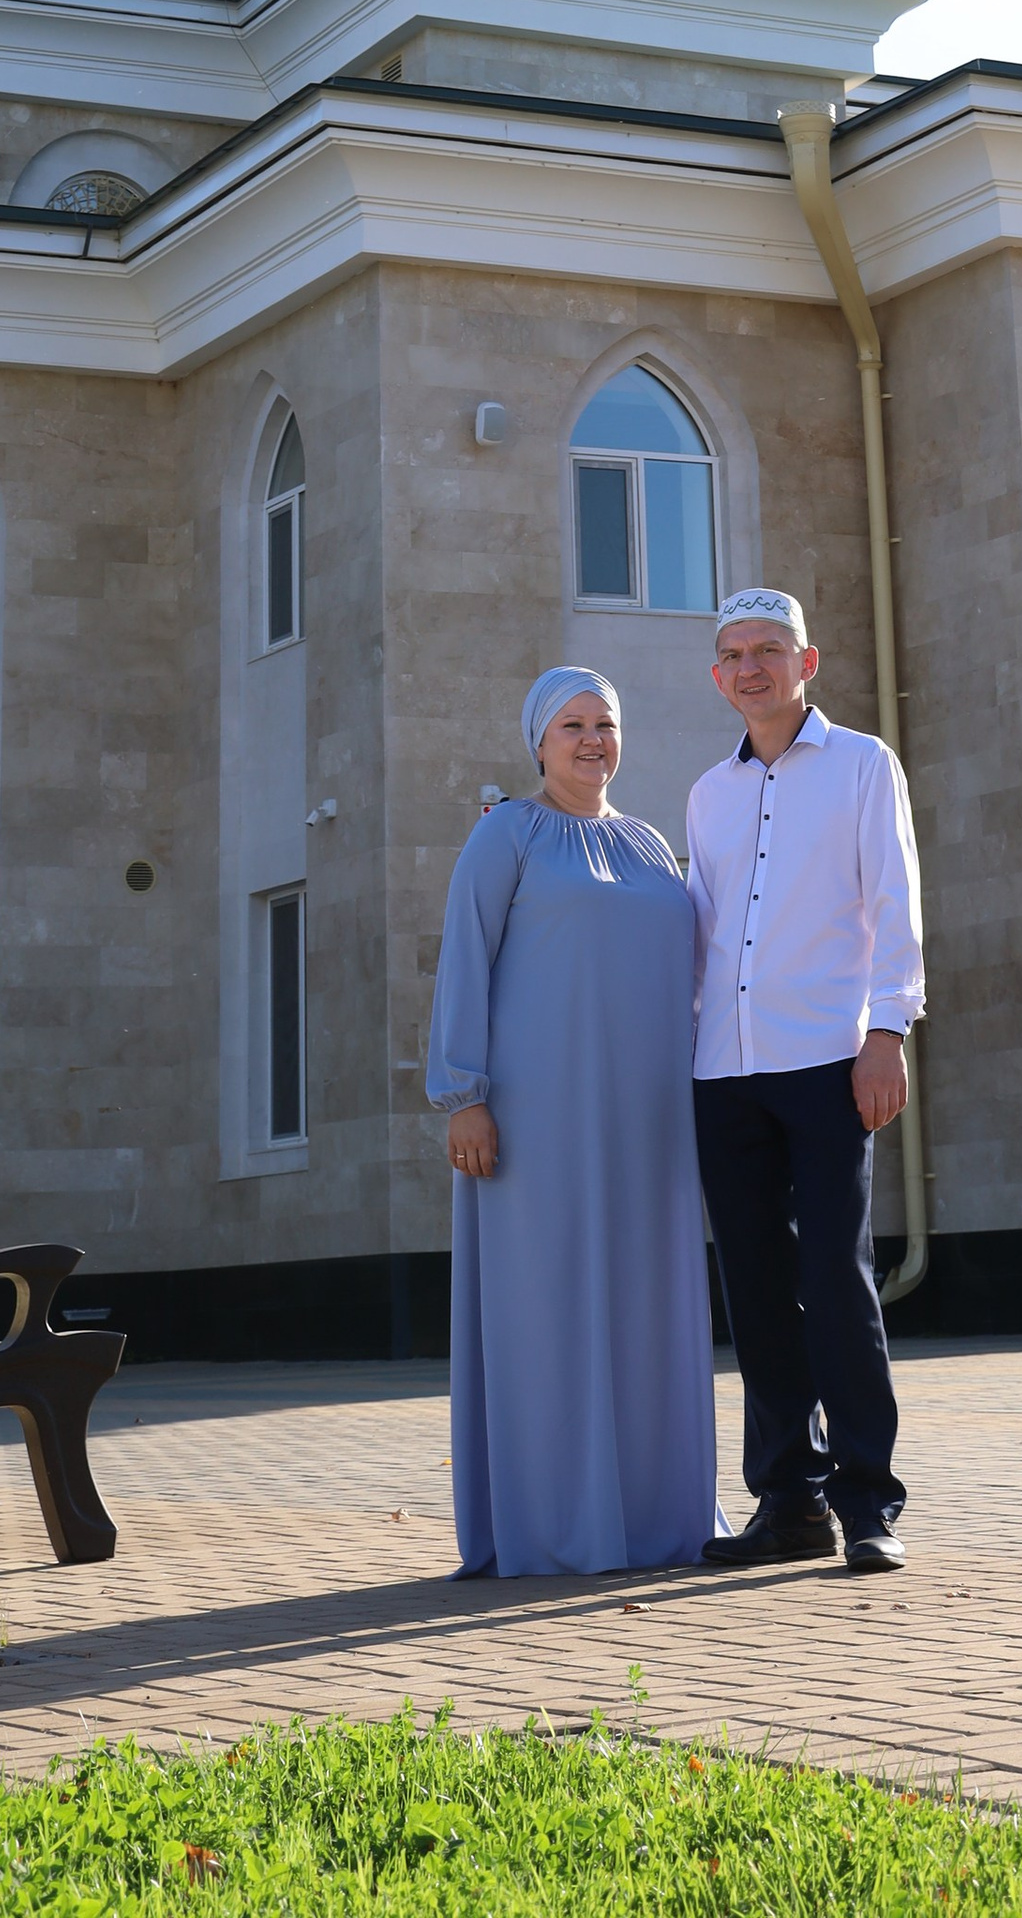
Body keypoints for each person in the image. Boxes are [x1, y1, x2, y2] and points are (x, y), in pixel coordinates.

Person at [426, 663, 719, 1577]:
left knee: (647, 1310)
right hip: (537, 1124)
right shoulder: (504, 835)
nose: (593, 740)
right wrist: (463, 1096)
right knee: (546, 1310)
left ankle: (654, 1518)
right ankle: (554, 1524)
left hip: (651, 1125)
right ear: (538, 743)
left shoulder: (650, 843)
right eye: (572, 726)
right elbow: (464, 964)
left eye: (606, 724)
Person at [686, 584, 925, 1575]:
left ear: (807, 662)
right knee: (754, 1288)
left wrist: (887, 1029)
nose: (752, 668)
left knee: (834, 1277)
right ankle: (789, 1501)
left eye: (769, 650)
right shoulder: (708, 793)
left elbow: (894, 896)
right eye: (734, 654)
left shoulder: (864, 765)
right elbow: (695, 931)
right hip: (724, 1069)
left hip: (830, 1057)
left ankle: (867, 1502)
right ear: (717, 676)